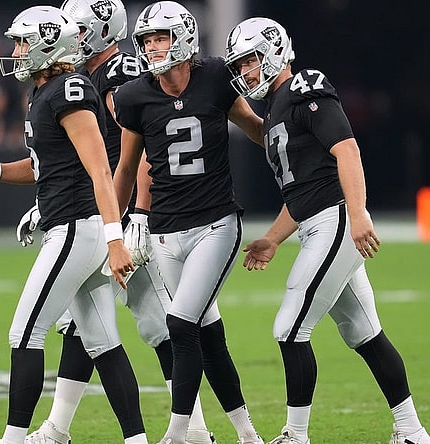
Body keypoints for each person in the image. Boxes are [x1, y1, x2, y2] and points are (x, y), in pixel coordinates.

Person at [0, 6, 146, 444]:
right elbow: (41, 167)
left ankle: (14, 439)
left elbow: (101, 171)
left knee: (25, 332)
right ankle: (137, 440)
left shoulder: (69, 90)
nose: (16, 51)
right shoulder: (45, 93)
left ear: (51, 45)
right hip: (74, 227)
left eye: (23, 42)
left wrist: (115, 238)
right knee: (103, 344)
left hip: (76, 229)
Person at [224, 17, 430, 444]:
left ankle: (295, 436)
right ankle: (412, 431)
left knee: (289, 327)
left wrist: (358, 214)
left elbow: (347, 149)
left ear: (275, 52)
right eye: (241, 65)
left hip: (335, 222)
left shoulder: (306, 89)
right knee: (365, 334)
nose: (246, 72)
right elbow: (303, 191)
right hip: (318, 223)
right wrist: (274, 238)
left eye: (250, 61)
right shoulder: (276, 107)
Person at [22, 0, 216, 443]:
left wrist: (140, 214)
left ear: (103, 30)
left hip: (126, 217)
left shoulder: (117, 72)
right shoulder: (80, 79)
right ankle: (58, 428)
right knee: (82, 324)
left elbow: (144, 141)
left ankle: (197, 431)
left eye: (79, 27)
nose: (71, 34)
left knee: (156, 321)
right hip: (104, 214)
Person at [111, 2, 266, 443]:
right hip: (164, 231)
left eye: (161, 37)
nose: (153, 47)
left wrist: (289, 139)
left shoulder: (215, 77)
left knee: (179, 325)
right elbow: (126, 167)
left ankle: (178, 435)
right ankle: (249, 436)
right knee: (209, 336)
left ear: (183, 38)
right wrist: (117, 229)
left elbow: (254, 126)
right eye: (147, 40)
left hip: (215, 223)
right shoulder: (134, 96)